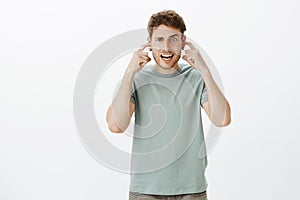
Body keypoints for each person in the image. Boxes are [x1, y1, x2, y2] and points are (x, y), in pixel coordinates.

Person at [106, 10, 231, 200]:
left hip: (191, 189)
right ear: (149, 42)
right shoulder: (136, 78)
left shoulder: (196, 77)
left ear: (183, 42)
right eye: (159, 40)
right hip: (145, 191)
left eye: (173, 39)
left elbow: (222, 119)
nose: (166, 48)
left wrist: (204, 70)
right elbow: (116, 125)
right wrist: (130, 71)